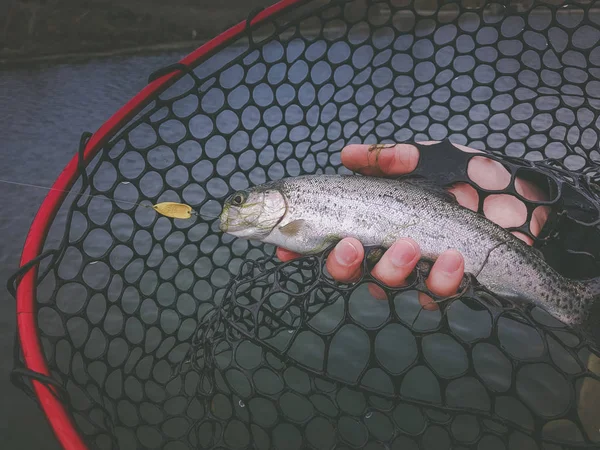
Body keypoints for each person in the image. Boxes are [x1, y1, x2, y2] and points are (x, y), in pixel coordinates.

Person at [276, 141, 550, 308]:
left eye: (240, 201)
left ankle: (559, 298)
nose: (233, 207)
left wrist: (534, 201)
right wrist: (539, 204)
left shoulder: (294, 201)